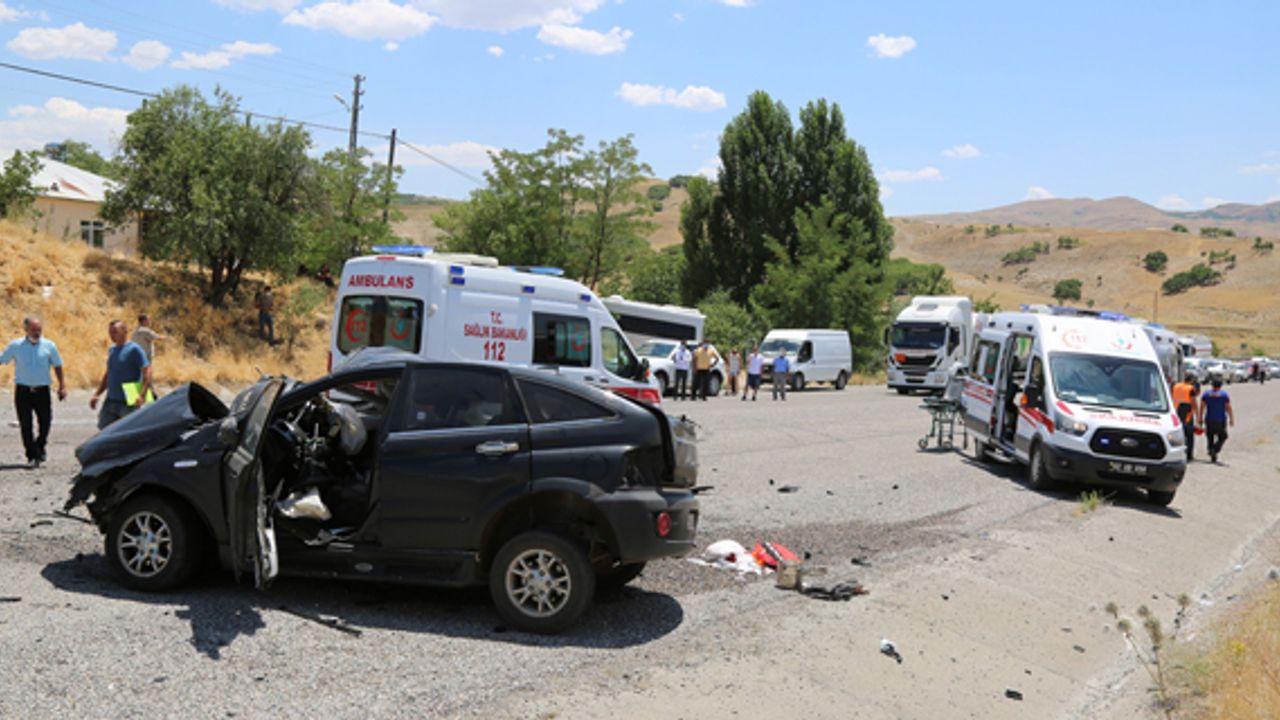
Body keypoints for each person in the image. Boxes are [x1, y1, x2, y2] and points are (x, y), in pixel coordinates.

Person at [0, 317, 66, 467]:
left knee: (45, 422)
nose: (37, 333)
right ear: (26, 330)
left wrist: (62, 386)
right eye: (33, 330)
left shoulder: (49, 346)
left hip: (42, 390)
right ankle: (31, 455)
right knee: (26, 425)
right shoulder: (16, 346)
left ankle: (40, 445)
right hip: (23, 391)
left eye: (39, 330)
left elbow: (58, 365)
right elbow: (2, 359)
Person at [89, 320, 152, 430]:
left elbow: (147, 372)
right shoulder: (112, 350)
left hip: (129, 401)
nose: (112, 336)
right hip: (111, 399)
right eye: (110, 333)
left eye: (115, 332)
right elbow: (109, 373)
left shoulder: (134, 349)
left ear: (125, 331)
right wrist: (97, 394)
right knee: (104, 429)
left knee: (129, 432)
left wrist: (142, 395)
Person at [1197, 377, 1234, 464]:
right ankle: (1215, 449)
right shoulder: (1224, 395)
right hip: (1220, 420)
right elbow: (1228, 407)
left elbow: (1202, 406)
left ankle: (1211, 451)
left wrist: (1200, 417)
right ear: (1220, 386)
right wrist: (1231, 419)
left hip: (1209, 419)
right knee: (1223, 436)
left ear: (1212, 385)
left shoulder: (1206, 394)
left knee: (1210, 437)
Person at [1171, 373, 1198, 461]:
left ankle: (1175, 453)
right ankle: (1189, 454)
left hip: (1176, 411)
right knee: (1189, 434)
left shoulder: (1176, 386)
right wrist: (1197, 415)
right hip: (1187, 412)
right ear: (1191, 380)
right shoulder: (1190, 389)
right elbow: (1193, 403)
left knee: (1178, 433)